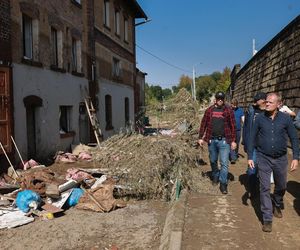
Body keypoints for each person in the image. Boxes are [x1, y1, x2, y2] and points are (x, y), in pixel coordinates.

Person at [247, 92, 299, 233]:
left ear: (278, 104)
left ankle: (277, 202)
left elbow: (294, 138)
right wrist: (250, 156)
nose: (266, 103)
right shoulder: (259, 119)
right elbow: (251, 137)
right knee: (264, 187)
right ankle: (267, 219)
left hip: (281, 159)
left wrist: (295, 157)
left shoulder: (286, 119)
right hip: (264, 157)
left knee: (281, 185)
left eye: (270, 102)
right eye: (266, 101)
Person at [198, 91, 236, 194]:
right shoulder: (209, 110)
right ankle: (215, 175)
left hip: (224, 140)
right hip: (212, 139)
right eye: (218, 98)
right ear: (215, 99)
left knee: (224, 163)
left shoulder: (228, 110)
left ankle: (223, 183)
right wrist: (201, 137)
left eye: (222, 98)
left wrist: (233, 141)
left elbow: (233, 126)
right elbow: (203, 124)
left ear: (224, 99)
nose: (220, 100)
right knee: (213, 160)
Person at [242, 91, 267, 199]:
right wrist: (245, 142)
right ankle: (252, 190)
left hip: (265, 146)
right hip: (254, 145)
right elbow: (246, 127)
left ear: (263, 100)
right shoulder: (251, 111)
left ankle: (262, 190)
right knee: (252, 169)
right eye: (255, 100)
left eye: (258, 100)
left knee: (263, 170)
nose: (256, 102)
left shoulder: (269, 111)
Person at [229, 99, 244, 164]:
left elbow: (243, 119)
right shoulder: (229, 110)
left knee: (237, 143)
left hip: (238, 129)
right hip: (230, 129)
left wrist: (245, 124)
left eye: (235, 105)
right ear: (231, 104)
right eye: (233, 105)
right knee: (232, 142)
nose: (234, 106)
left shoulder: (240, 110)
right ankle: (233, 158)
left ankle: (235, 154)